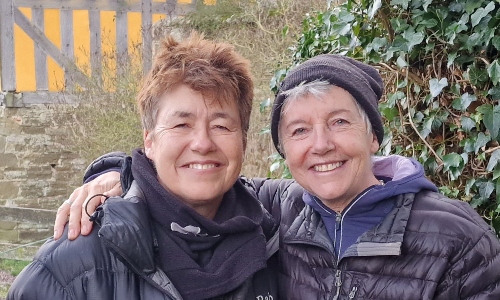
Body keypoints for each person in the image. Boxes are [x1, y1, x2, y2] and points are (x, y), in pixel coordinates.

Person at [54, 54, 500, 299]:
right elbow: (196, 180)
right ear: (283, 151)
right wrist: (120, 175)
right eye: (299, 130)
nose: (321, 145)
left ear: (374, 136)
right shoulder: (273, 209)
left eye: (341, 123)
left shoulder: (458, 238)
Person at [8, 32, 278, 300]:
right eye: (182, 124)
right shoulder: (70, 269)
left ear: (243, 140)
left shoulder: (275, 239)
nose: (202, 143)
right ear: (149, 141)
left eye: (220, 126)